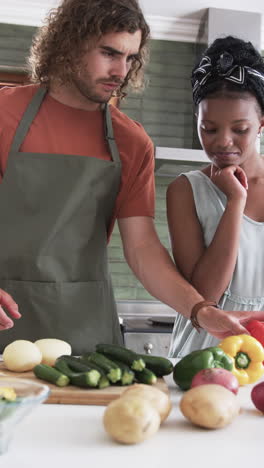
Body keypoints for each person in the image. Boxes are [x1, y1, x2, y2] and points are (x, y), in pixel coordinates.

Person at [0, 3, 261, 356]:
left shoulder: (131, 142)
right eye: (109, 53)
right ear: (69, 42)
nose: (120, 70)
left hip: (83, 326)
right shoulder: (5, 114)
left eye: (130, 58)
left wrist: (200, 311)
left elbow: (142, 250)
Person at [167, 35, 264, 357]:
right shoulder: (185, 190)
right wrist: (234, 203)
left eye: (240, 129)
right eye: (209, 128)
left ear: (261, 124)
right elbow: (205, 293)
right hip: (201, 352)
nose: (223, 142)